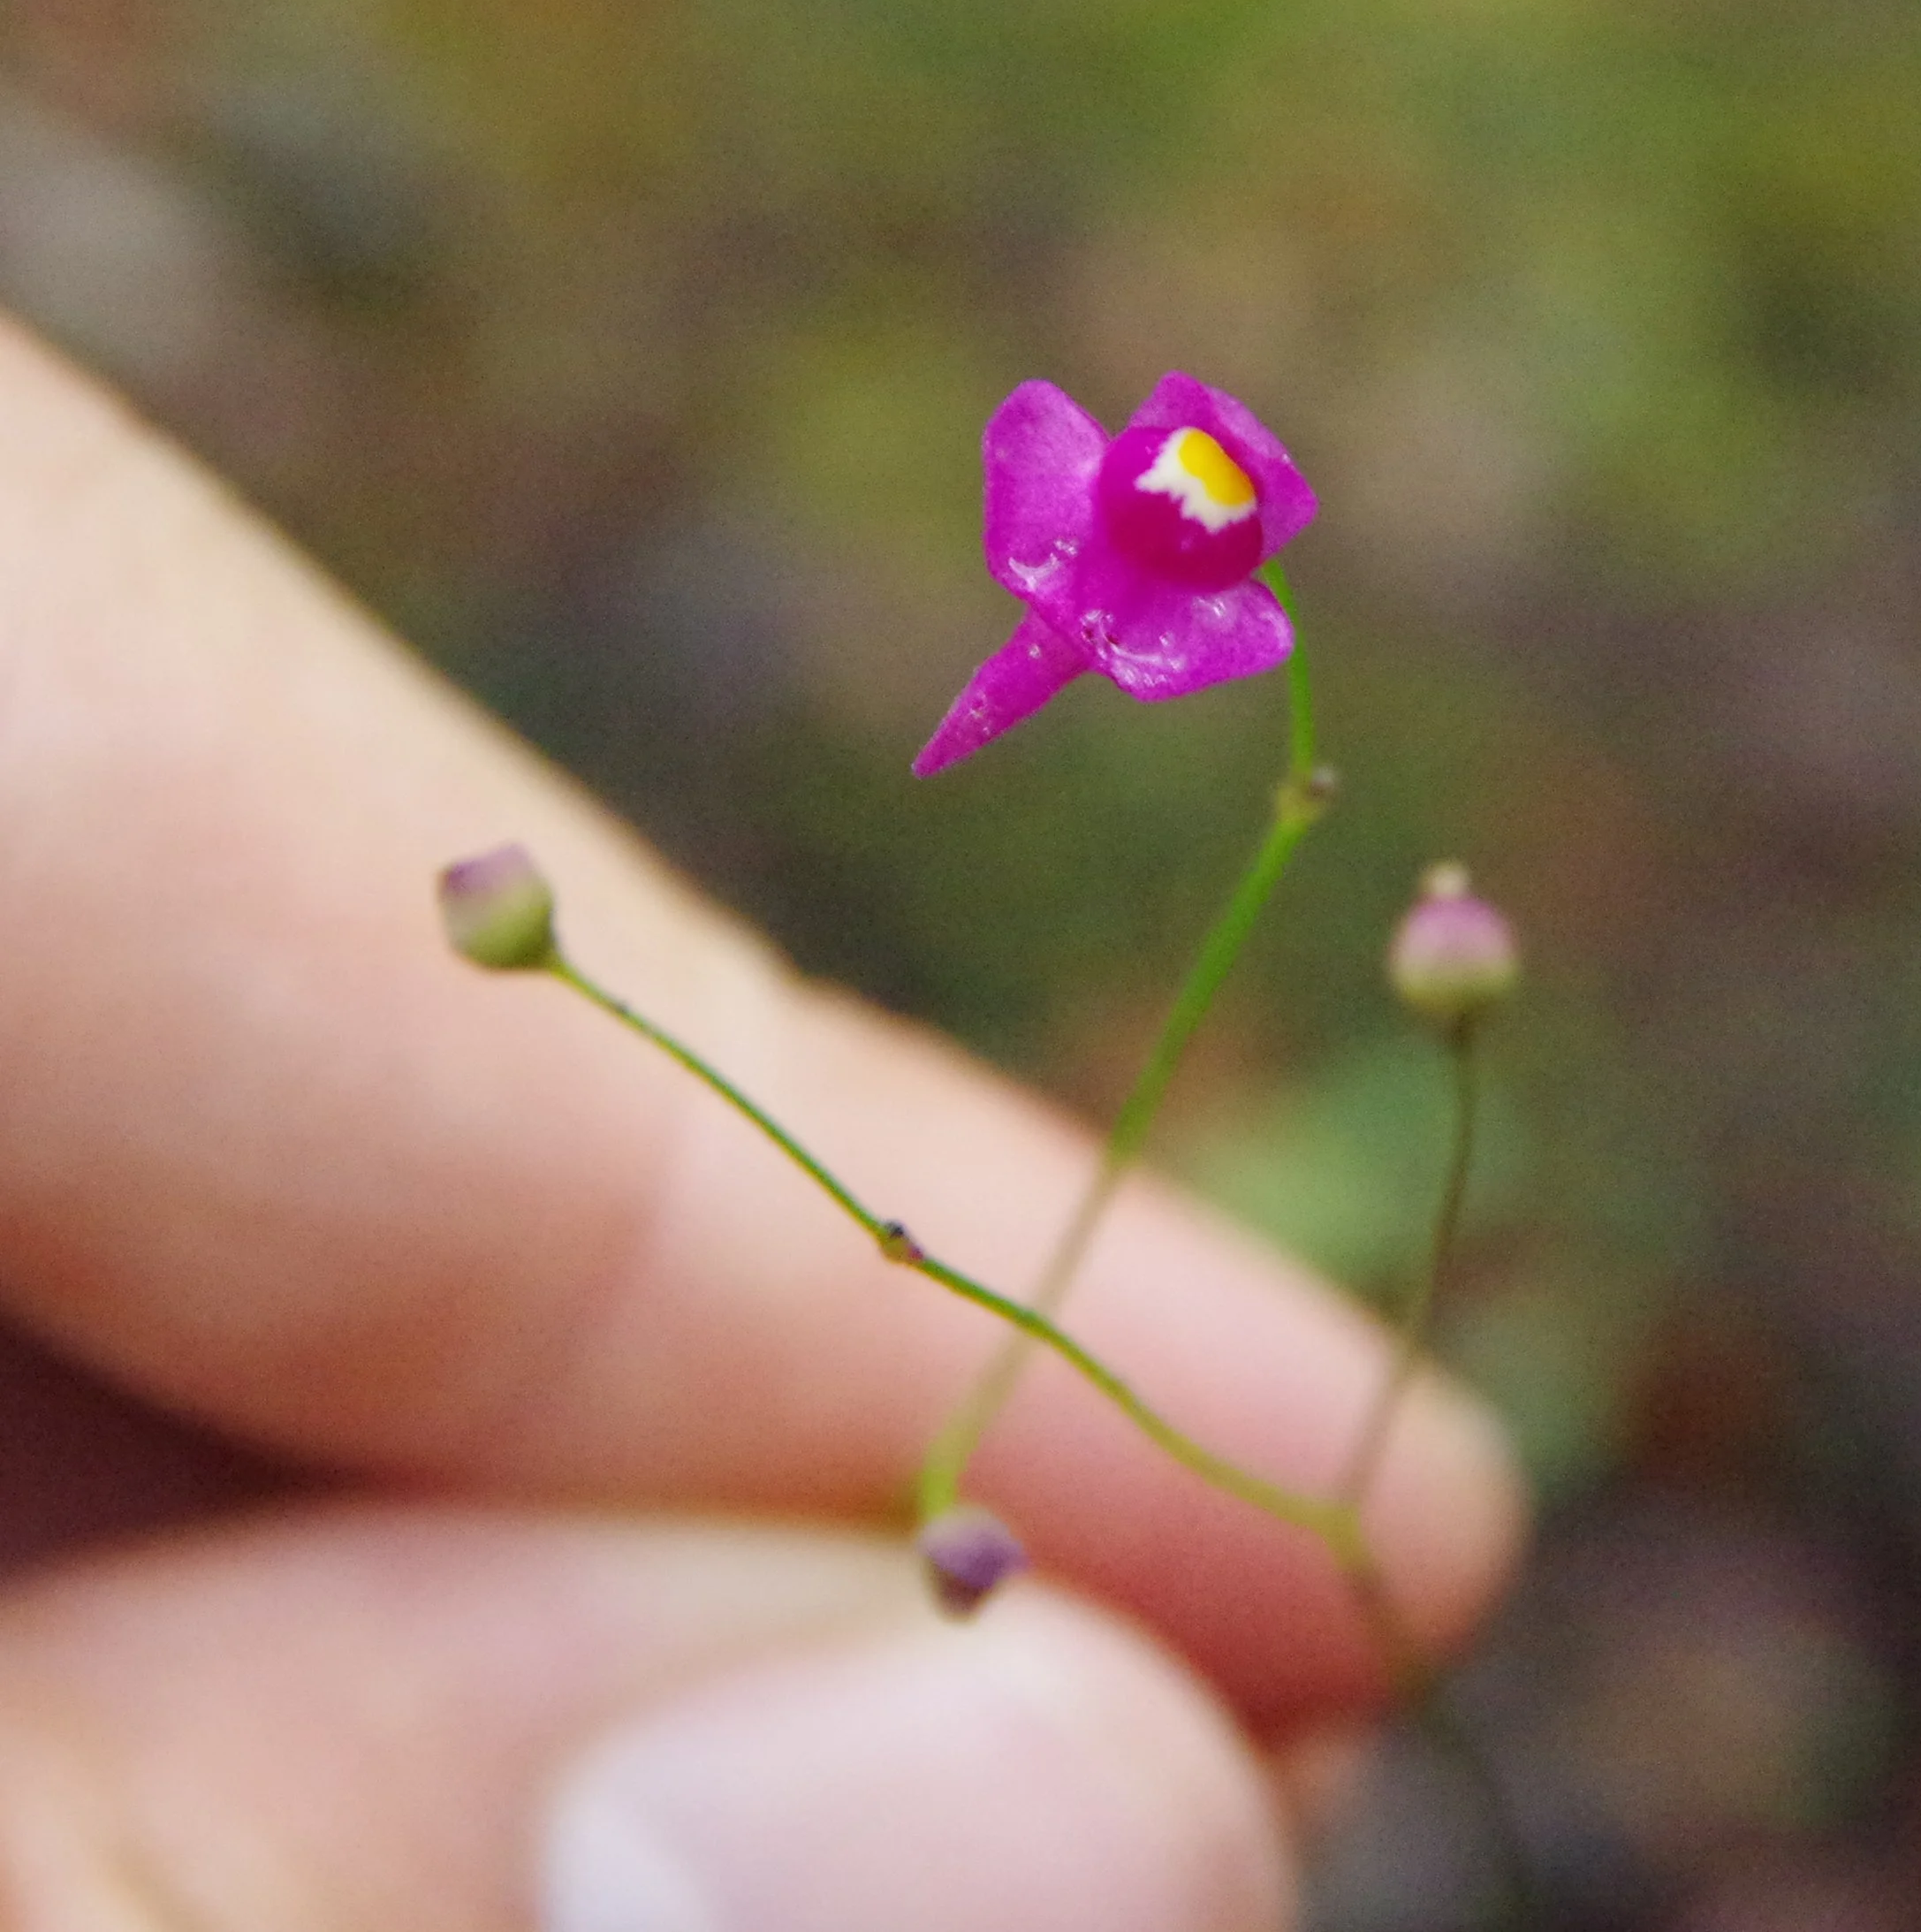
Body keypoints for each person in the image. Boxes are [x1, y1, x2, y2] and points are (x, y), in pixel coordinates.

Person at [0, 313, 1521, 1931]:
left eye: (1221, 482)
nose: (1193, 475)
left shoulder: (1209, 624)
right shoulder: (1123, 559)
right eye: (1181, 459)